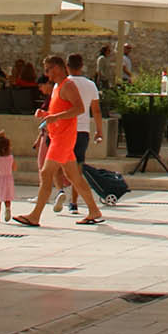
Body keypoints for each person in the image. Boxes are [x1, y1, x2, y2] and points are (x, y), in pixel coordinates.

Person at [17, 57, 102, 227]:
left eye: (48, 69)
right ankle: (94, 211)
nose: (46, 73)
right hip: (59, 137)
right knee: (74, 177)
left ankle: (35, 215)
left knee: (46, 173)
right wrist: (46, 114)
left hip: (63, 139)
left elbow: (79, 109)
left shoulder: (68, 86)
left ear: (57, 68)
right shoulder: (58, 87)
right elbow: (59, 111)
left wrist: (54, 117)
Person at [54, 52, 103, 214]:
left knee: (56, 163)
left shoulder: (62, 84)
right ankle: (74, 202)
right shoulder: (90, 85)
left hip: (64, 129)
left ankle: (60, 190)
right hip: (82, 130)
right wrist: (99, 130)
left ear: (66, 66)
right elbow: (96, 110)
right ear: (82, 66)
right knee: (77, 167)